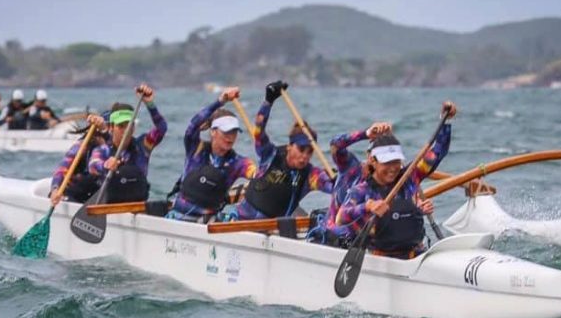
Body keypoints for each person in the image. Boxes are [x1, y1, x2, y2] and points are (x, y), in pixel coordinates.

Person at [336, 101, 456, 259]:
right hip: (381, 259)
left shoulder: (409, 178)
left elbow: (438, 151)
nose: (393, 168)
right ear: (373, 161)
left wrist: (445, 120)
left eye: (396, 161)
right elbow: (341, 218)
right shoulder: (361, 190)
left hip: (416, 256)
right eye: (387, 162)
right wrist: (368, 206)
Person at [230, 80, 333, 220]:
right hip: (239, 220)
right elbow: (259, 130)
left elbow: (332, 187)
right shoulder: (270, 155)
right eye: (301, 149)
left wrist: (339, 181)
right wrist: (268, 101)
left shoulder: (310, 175)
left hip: (272, 229)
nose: (305, 156)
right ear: (290, 146)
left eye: (310, 151)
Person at [49, 84, 166, 206]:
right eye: (121, 126)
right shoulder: (98, 148)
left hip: (132, 201)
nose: (125, 131)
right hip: (80, 195)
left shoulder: (143, 146)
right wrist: (105, 166)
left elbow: (161, 128)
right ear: (111, 128)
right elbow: (93, 165)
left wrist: (150, 104)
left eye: (129, 126)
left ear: (134, 128)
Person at [166, 87, 257, 222]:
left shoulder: (237, 163)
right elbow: (193, 126)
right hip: (179, 214)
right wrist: (221, 101)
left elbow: (256, 173)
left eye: (234, 132)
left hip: (210, 220)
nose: (231, 137)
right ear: (213, 131)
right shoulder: (196, 148)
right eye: (226, 132)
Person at [307, 121, 392, 246]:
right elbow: (336, 145)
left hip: (367, 243)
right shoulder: (350, 167)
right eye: (379, 157)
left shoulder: (392, 179)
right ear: (370, 157)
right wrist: (366, 134)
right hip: (333, 239)